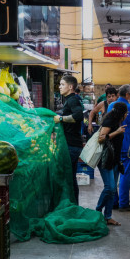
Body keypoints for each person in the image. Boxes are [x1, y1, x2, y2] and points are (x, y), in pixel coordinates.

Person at [95, 102, 128, 225]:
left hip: (114, 160)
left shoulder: (116, 122)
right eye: (126, 113)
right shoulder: (109, 121)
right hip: (105, 159)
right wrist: (117, 132)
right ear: (122, 113)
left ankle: (107, 216)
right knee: (110, 187)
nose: (126, 115)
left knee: (113, 190)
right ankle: (97, 211)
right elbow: (101, 138)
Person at [53, 75, 85, 203]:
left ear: (70, 86)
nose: (60, 87)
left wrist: (61, 118)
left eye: (62, 84)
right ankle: (73, 204)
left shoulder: (72, 100)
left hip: (71, 145)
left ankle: (72, 205)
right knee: (70, 177)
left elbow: (78, 116)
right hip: (72, 144)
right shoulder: (69, 100)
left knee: (68, 177)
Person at [108, 84, 130, 211]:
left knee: (114, 173)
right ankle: (124, 203)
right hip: (126, 144)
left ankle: (114, 202)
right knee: (125, 173)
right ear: (127, 95)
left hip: (113, 143)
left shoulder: (111, 105)